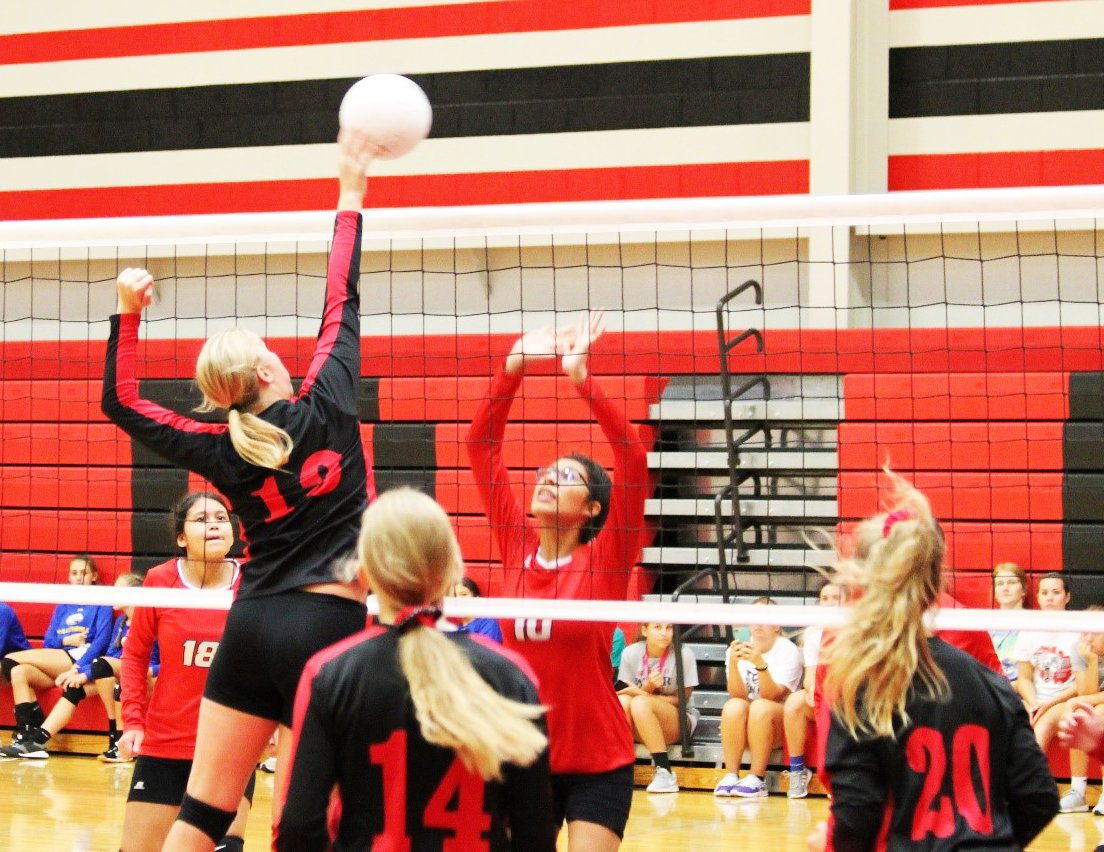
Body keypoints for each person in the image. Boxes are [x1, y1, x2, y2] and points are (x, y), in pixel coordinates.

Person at [101, 129, 379, 851]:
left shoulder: (218, 447)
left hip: (249, 625)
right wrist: (351, 193)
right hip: (330, 629)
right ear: (263, 373)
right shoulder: (328, 401)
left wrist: (128, 312)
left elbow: (123, 403)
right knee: (323, 815)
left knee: (203, 810)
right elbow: (339, 294)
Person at [276, 488, 555, 850]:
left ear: (363, 573)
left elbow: (298, 828)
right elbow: (534, 834)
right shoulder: (510, 674)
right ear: (454, 571)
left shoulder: (330, 673)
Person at [465, 311, 651, 850]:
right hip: (524, 755)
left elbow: (633, 459)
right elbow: (481, 447)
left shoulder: (606, 560)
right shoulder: (517, 544)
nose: (549, 477)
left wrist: (580, 379)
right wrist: (514, 368)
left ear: (592, 508)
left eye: (568, 477)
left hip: (599, 761)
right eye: (547, 472)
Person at [810, 475, 1058, 850]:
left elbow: (858, 806)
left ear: (865, 576)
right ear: (935, 574)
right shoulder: (990, 683)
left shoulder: (856, 675)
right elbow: (1038, 795)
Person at [117, 491, 253, 852]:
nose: (215, 525)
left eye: (222, 518)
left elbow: (272, 658)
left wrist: (271, 723)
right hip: (165, 741)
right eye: (202, 519)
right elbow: (134, 656)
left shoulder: (254, 581)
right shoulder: (160, 580)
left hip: (231, 745)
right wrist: (133, 721)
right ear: (181, 538)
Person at [2, 573, 153, 760]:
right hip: (111, 670)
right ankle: (36, 740)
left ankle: (117, 739)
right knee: (74, 688)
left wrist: (82, 671)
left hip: (143, 675)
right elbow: (111, 655)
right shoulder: (121, 623)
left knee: (103, 669)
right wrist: (83, 673)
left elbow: (156, 658)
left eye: (118, 588)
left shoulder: (147, 623)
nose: (112, 592)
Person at [1, 555, 113, 753]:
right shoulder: (64, 604)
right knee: (18, 672)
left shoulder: (102, 603)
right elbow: (49, 641)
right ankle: (28, 736)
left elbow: (101, 642)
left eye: (84, 573)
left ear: (94, 576)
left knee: (10, 660)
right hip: (59, 658)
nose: (79, 578)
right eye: (74, 573)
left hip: (80, 660)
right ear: (69, 578)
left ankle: (35, 724)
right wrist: (66, 641)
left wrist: (79, 667)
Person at [714, 597, 803, 798]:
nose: (758, 623)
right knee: (733, 706)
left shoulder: (788, 650)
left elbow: (773, 695)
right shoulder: (737, 648)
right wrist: (735, 665)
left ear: (777, 626)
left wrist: (759, 663)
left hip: (781, 726)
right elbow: (737, 695)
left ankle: (757, 778)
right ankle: (731, 775)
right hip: (752, 726)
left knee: (761, 706)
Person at [616, 622, 698, 794]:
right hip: (642, 718)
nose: (664, 633)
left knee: (640, 703)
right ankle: (619, 769)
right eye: (658, 628)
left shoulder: (684, 654)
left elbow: (681, 701)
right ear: (645, 630)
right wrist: (647, 687)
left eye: (669, 628)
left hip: (679, 720)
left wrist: (643, 693)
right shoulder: (630, 653)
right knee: (623, 702)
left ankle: (665, 771)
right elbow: (625, 692)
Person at [781, 580, 843, 799]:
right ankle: (798, 771)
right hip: (824, 694)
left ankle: (841, 776)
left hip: (848, 697)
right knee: (794, 703)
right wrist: (811, 688)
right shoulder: (814, 632)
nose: (829, 603)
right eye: (825, 599)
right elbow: (810, 676)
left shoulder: (856, 630)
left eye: (835, 598)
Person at [1013, 573, 1080, 747]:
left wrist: (1047, 705)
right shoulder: (1028, 629)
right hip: (1036, 700)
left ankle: (1033, 775)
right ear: (1038, 598)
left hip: (1065, 700)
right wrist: (1033, 704)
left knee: (1041, 728)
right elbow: (1024, 678)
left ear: (1067, 597)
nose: (1049, 598)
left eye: (1056, 592)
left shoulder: (1080, 629)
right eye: (1044, 593)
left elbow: (1082, 686)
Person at [1053, 607, 1104, 815]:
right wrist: (1091, 660)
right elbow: (1086, 692)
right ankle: (1077, 792)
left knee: (1099, 715)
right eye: (1085, 632)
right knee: (1077, 718)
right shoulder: (1080, 647)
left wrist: (1080, 701)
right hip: (1094, 697)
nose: (1089, 638)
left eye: (1095, 632)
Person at [990, 562, 1029, 694]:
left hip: (1022, 689)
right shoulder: (984, 622)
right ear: (994, 592)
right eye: (1000, 584)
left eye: (1012, 582)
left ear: (1023, 589)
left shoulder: (1034, 622)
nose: (1005, 588)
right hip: (990, 686)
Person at [451, 577, 503, 643]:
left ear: (475, 597)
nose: (458, 600)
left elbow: (486, 650)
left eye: (464, 594)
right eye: (454, 596)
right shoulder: (451, 624)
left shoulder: (487, 622)